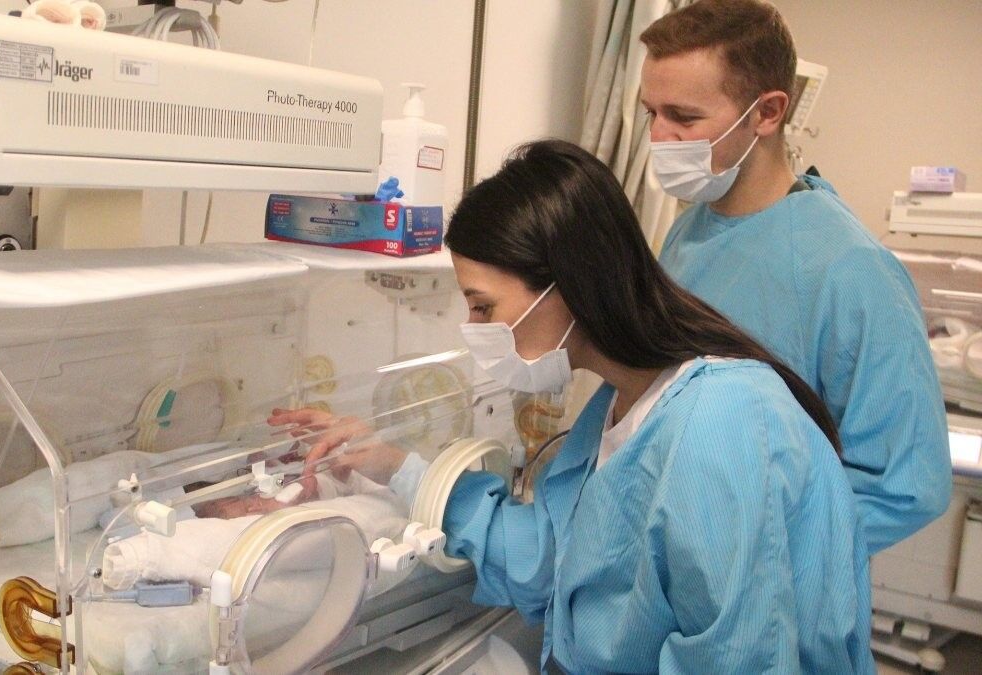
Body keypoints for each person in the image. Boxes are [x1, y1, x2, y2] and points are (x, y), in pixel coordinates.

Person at [275, 140, 873, 672]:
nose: (473, 328)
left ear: (569, 284)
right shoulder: (619, 407)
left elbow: (741, 658)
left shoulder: (722, 422)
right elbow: (551, 561)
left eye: (483, 307)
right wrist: (394, 467)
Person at [640, 0, 950, 554]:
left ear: (767, 112)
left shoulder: (850, 271)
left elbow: (904, 487)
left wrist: (750, 551)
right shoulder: (689, 231)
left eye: (683, 118)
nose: (659, 138)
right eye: (651, 114)